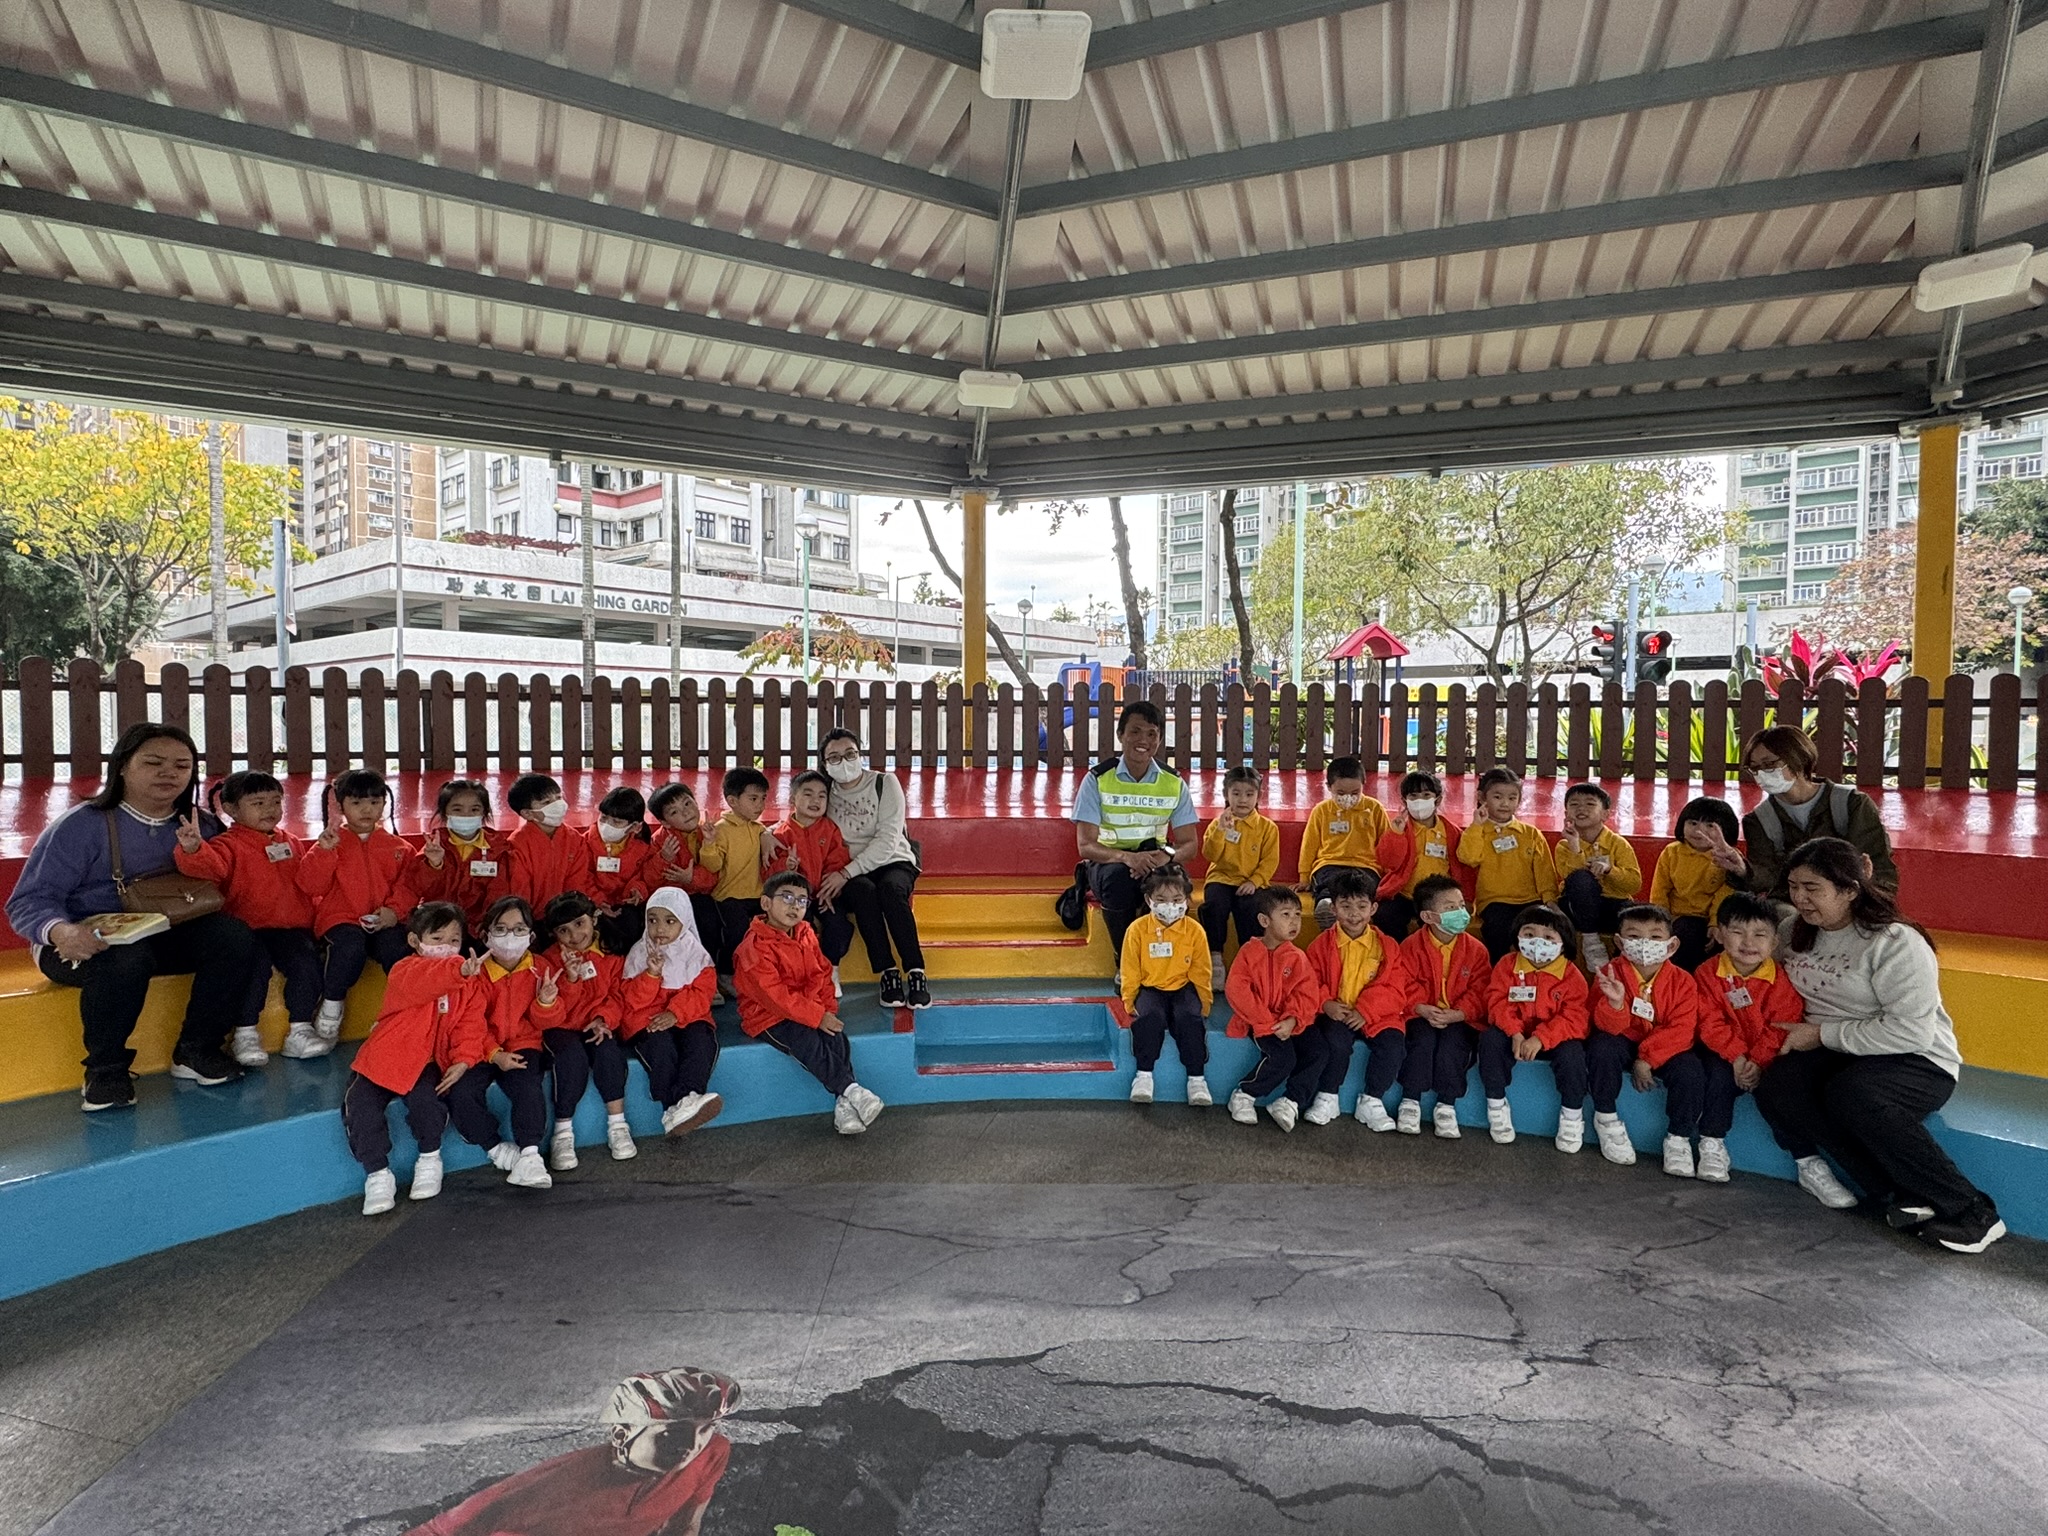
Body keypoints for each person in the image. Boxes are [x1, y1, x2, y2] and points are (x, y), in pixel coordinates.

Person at [1755, 838, 2005, 1253]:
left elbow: (1911, 1033)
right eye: (1794, 887)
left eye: (1813, 888)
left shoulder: (1895, 942)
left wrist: (1820, 1035)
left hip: (1915, 1058)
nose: (1799, 898)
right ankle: (1899, 1195)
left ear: (1850, 890)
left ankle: (1973, 1212)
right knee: (1781, 1085)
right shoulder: (1791, 932)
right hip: (1837, 1050)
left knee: (1853, 1093)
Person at [8, 722, 261, 1110]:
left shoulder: (200, 824)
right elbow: (27, 901)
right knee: (126, 957)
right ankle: (105, 1071)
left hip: (166, 931)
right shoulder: (81, 826)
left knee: (234, 937)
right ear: (123, 766)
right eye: (154, 763)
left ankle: (197, 1050)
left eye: (181, 766)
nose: (169, 773)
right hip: (80, 944)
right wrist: (61, 932)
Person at [402, 1367, 738, 1536]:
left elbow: (685, 1527)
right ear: (621, 1433)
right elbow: (437, 1532)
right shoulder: (555, 1483)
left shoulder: (713, 1453)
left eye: (705, 1429)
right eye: (671, 1433)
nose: (692, 1445)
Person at [344, 902, 488, 1216]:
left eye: (454, 940)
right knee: (360, 1105)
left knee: (428, 1102)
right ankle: (377, 1173)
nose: (447, 947)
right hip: (383, 1056)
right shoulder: (404, 970)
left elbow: (470, 1025)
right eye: (437, 939)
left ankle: (430, 1158)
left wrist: (464, 1059)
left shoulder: (469, 983)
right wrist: (459, 970)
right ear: (414, 940)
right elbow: (428, 980)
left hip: (426, 1061)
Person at [173, 769, 319, 1067]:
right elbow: (211, 869)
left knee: (306, 964)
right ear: (230, 809)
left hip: (290, 927)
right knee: (254, 970)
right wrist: (193, 848)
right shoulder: (227, 844)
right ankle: (245, 1033)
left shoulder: (291, 841)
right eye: (258, 803)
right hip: (249, 928)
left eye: (275, 802)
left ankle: (301, 1029)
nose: (269, 810)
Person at [735, 871, 885, 1136]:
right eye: (787, 897)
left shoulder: (806, 933)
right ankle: (852, 1090)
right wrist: (817, 1016)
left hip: (807, 1007)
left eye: (802, 900)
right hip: (768, 1016)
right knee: (806, 1040)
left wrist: (827, 1010)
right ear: (766, 903)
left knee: (836, 1037)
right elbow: (775, 997)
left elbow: (822, 974)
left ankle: (844, 1106)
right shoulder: (753, 948)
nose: (795, 906)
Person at [298, 769, 416, 1056]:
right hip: (341, 919)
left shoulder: (400, 847)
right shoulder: (330, 843)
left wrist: (394, 912)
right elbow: (310, 885)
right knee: (349, 947)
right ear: (340, 805)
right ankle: (331, 1005)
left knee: (397, 949)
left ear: (384, 804)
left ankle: (404, 1015)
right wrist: (324, 852)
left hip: (385, 919)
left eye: (375, 802)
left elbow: (410, 886)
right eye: (357, 802)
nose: (367, 809)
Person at [1705, 726, 1898, 902]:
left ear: (1797, 759)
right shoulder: (1759, 820)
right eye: (1754, 768)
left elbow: (1880, 869)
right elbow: (1771, 879)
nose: (1761, 773)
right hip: (1795, 907)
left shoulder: (1852, 804)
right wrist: (1743, 869)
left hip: (1849, 901)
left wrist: (1862, 892)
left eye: (1769, 764)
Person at [1073, 700, 1200, 966]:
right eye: (1135, 731)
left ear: (1160, 740)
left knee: (1171, 885)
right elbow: (1086, 846)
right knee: (1119, 880)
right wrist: (1127, 858)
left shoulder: (1174, 782)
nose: (1143, 740)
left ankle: (1171, 965)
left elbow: (1189, 845)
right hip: (1109, 862)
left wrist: (1166, 856)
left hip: (1156, 858)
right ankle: (1126, 963)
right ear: (1121, 735)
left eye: (1152, 734)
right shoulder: (1097, 779)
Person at [1691, 891, 1804, 1185]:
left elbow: (1782, 1025)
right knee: (1716, 1076)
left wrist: (1757, 1061)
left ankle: (1806, 1156)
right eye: (1737, 932)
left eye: (1760, 934)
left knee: (1784, 1084)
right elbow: (1709, 1022)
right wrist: (1738, 1058)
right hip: (1724, 1051)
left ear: (1774, 942)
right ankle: (1712, 1141)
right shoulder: (1707, 973)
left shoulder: (1780, 979)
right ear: (1719, 935)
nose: (1748, 942)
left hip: (1767, 1054)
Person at [446, 895, 559, 1190]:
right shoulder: (476, 972)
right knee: (461, 1091)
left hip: (523, 1043)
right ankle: (496, 1149)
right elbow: (469, 1022)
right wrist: (494, 1054)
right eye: (501, 929)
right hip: (480, 1047)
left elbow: (547, 1022)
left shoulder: (541, 968)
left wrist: (547, 1002)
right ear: (485, 935)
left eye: (519, 929)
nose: (510, 936)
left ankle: (531, 1155)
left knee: (528, 1087)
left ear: (531, 936)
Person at [819, 730, 930, 1010]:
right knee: (863, 893)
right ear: (825, 764)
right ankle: (887, 972)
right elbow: (800, 818)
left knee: (891, 890)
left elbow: (888, 838)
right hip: (852, 870)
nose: (843, 762)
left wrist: (845, 873)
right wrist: (767, 835)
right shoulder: (825, 792)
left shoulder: (884, 783)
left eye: (850, 754)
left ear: (860, 754)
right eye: (834, 757)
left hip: (893, 860)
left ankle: (916, 970)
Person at [1588, 904, 1702, 1174]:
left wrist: (1647, 1059)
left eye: (1655, 936)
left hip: (1664, 1047)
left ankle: (1678, 1138)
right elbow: (1601, 1024)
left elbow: (1682, 1029)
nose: (1644, 944)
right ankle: (1606, 1119)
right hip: (1623, 1037)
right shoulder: (1609, 973)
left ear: (1671, 945)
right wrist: (1615, 1004)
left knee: (1691, 1071)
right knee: (1602, 1048)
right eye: (1634, 936)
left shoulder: (1683, 981)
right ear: (1619, 942)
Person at [1477, 904, 1591, 1152]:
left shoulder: (1572, 975)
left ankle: (1572, 1116)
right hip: (1515, 1034)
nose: (1538, 942)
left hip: (1554, 1038)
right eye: (1529, 934)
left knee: (1573, 1055)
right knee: (1490, 1041)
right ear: (1517, 936)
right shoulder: (1507, 965)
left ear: (1563, 944)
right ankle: (1496, 1105)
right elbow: (1496, 1001)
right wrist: (1515, 1032)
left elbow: (1575, 1018)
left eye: (1548, 937)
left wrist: (1540, 1038)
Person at [539, 892, 638, 1170]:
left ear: (594, 919)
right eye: (563, 930)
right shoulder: (549, 960)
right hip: (561, 1026)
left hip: (596, 1024)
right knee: (571, 1059)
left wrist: (603, 1019)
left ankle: (618, 1125)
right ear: (554, 934)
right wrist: (571, 980)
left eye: (579, 924)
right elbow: (556, 1010)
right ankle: (563, 1133)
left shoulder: (611, 953)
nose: (574, 935)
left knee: (608, 1051)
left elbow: (618, 996)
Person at [1388, 874, 1492, 1137]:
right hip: (1421, 1014)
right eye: (1450, 907)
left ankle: (1446, 1104)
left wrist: (1459, 1013)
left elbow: (1481, 990)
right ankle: (1410, 1100)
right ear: (1428, 916)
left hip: (1459, 1018)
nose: (1461, 913)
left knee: (1453, 1046)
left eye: (1461, 905)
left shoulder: (1477, 950)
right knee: (1421, 1042)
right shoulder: (1410, 947)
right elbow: (1402, 982)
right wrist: (1420, 1007)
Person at [1304, 869, 1407, 1129]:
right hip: (1336, 1012)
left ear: (1373, 909)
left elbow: (1395, 989)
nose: (1354, 914)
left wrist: (1366, 1011)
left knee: (1393, 1046)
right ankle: (1327, 1096)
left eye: (1361, 906)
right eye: (1345, 906)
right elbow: (1310, 981)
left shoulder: (1387, 946)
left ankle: (1372, 1100)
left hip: (1376, 1016)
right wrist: (1325, 1003)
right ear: (1333, 908)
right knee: (1335, 1042)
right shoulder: (1320, 945)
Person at [620, 887, 723, 1137]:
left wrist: (675, 1013)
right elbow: (632, 1000)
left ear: (684, 921)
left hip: (687, 1015)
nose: (659, 929)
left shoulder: (696, 954)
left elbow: (702, 993)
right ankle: (673, 1107)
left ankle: (686, 1099)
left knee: (701, 1043)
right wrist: (651, 975)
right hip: (648, 1017)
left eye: (669, 921)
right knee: (661, 1047)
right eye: (652, 920)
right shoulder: (639, 953)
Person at [1223, 886, 1325, 1132]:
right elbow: (1238, 990)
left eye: (1298, 914)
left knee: (1319, 1051)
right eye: (1286, 914)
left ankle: (1290, 1101)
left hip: (1290, 1021)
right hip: (1259, 1020)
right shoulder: (1248, 953)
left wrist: (1293, 1020)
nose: (1294, 921)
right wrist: (1267, 1023)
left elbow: (1306, 993)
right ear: (1264, 921)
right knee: (1283, 1058)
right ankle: (1245, 1094)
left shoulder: (1298, 957)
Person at [1119, 866, 1213, 1107]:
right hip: (1150, 988)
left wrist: (1204, 1003)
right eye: (1161, 900)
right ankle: (1144, 1075)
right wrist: (1129, 1000)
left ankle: (1197, 1079)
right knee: (1150, 1018)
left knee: (1189, 1018)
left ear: (1187, 900)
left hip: (1184, 987)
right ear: (1148, 900)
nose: (1169, 906)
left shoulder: (1195, 931)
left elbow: (1201, 971)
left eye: (1177, 899)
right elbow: (1130, 969)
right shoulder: (1137, 930)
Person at [1457, 768, 1558, 960]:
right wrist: (1477, 825)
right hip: (1494, 902)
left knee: (1540, 931)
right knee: (1498, 930)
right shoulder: (1476, 832)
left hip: (1531, 900)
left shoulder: (1531, 834)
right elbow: (1469, 858)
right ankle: (1500, 972)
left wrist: (1550, 901)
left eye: (1512, 798)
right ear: (1481, 797)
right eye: (1497, 797)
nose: (1505, 803)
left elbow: (1545, 872)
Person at [766, 770, 855, 972]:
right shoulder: (781, 834)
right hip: (796, 898)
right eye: (808, 794)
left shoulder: (830, 829)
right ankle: (804, 970)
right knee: (801, 928)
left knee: (838, 925)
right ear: (792, 799)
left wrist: (829, 890)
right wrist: (786, 867)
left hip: (825, 894)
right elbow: (769, 873)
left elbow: (837, 861)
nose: (816, 800)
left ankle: (831, 970)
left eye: (822, 796)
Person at [1198, 765, 1278, 985]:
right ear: (1226, 795)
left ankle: (1248, 960)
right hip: (1221, 878)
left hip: (1252, 881)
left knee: (1252, 907)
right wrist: (1220, 831)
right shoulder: (1218, 824)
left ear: (1258, 796)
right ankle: (1215, 958)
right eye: (1236, 793)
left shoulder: (1267, 828)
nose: (1243, 799)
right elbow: (1210, 854)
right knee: (1214, 905)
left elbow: (1270, 861)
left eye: (1249, 794)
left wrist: (1254, 881)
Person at [1552, 782, 1641, 969]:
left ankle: (1620, 965)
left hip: (1612, 904)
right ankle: (1590, 940)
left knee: (1637, 918)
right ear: (1566, 814)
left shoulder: (1619, 844)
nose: (1581, 809)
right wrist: (1575, 846)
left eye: (1590, 804)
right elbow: (1570, 878)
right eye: (1574, 804)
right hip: (1577, 908)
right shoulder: (1564, 846)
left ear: (1605, 814)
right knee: (1581, 878)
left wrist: (1610, 870)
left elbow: (1634, 884)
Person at [1295, 754, 1391, 928]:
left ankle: (1358, 913)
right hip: (1330, 863)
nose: (1348, 797)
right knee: (1328, 883)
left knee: (1364, 887)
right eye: (1340, 793)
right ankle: (1326, 906)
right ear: (1329, 787)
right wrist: (1304, 876)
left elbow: (1386, 844)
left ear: (1363, 785)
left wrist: (1387, 873)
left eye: (1355, 793)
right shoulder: (1321, 811)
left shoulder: (1375, 809)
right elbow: (1309, 844)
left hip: (1365, 866)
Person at [1372, 769, 1463, 940]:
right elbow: (1387, 863)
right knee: (1385, 915)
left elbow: (1462, 866)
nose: (1419, 800)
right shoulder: (1400, 828)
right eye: (1413, 796)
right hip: (1405, 894)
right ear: (1404, 801)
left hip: (1436, 897)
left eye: (1426, 795)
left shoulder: (1451, 832)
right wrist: (1396, 834)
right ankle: (1396, 953)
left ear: (1438, 799)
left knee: (1442, 924)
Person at [699, 767, 771, 980]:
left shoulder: (758, 828)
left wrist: (768, 833)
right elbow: (712, 866)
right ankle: (725, 973)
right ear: (732, 801)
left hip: (757, 894)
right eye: (753, 799)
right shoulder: (721, 829)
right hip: (728, 896)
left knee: (772, 927)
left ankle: (763, 973)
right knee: (737, 932)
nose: (760, 805)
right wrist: (709, 843)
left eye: (763, 798)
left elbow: (768, 833)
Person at [1652, 797, 1739, 969]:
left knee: (1721, 940)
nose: (1699, 831)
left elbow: (1725, 895)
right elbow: (1659, 891)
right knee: (1686, 933)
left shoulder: (1729, 857)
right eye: (1692, 823)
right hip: (1677, 918)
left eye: (1710, 825)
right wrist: (1661, 922)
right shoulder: (1671, 853)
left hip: (1715, 919)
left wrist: (1715, 923)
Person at [414, 779, 507, 938]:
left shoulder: (498, 848)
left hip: (481, 926)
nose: (466, 815)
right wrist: (434, 864)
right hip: (439, 923)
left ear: (484, 812)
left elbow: (498, 891)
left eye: (474, 809)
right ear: (444, 812)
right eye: (457, 809)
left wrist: (488, 921)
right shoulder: (434, 846)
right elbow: (421, 889)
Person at [503, 773, 595, 916]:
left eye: (558, 798)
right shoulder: (516, 845)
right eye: (546, 802)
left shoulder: (575, 839)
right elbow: (520, 891)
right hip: (531, 917)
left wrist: (571, 914)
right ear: (527, 813)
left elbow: (577, 884)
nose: (557, 805)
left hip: (566, 916)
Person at [648, 781, 721, 963]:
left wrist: (691, 878)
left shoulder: (709, 832)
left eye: (687, 803)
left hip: (702, 895)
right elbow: (650, 879)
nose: (686, 812)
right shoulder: (659, 841)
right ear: (664, 822)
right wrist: (663, 859)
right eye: (674, 812)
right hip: (671, 899)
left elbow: (716, 874)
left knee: (708, 920)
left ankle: (708, 967)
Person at [581, 786, 656, 955]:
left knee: (630, 923)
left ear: (635, 827)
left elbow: (643, 877)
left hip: (624, 905)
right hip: (594, 903)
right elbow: (584, 877)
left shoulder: (643, 849)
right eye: (604, 818)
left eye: (617, 822)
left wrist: (636, 891)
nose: (607, 825)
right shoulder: (583, 844)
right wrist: (599, 902)